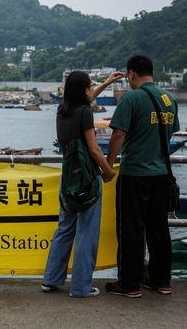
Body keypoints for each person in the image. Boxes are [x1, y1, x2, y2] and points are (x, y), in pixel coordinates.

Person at [42, 70, 122, 297]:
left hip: (68, 177)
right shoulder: (85, 112)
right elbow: (95, 150)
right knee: (86, 232)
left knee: (65, 228)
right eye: (90, 86)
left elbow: (85, 100)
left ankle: (51, 280)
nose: (91, 89)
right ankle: (80, 287)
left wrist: (106, 83)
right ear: (84, 90)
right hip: (87, 177)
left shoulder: (62, 110)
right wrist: (108, 173)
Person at [105, 55, 179, 298]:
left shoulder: (132, 98)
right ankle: (161, 281)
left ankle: (130, 284)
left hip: (135, 173)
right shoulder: (169, 99)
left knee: (131, 229)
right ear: (153, 72)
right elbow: (168, 134)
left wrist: (108, 165)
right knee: (159, 229)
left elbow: (117, 135)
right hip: (161, 174)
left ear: (132, 73)